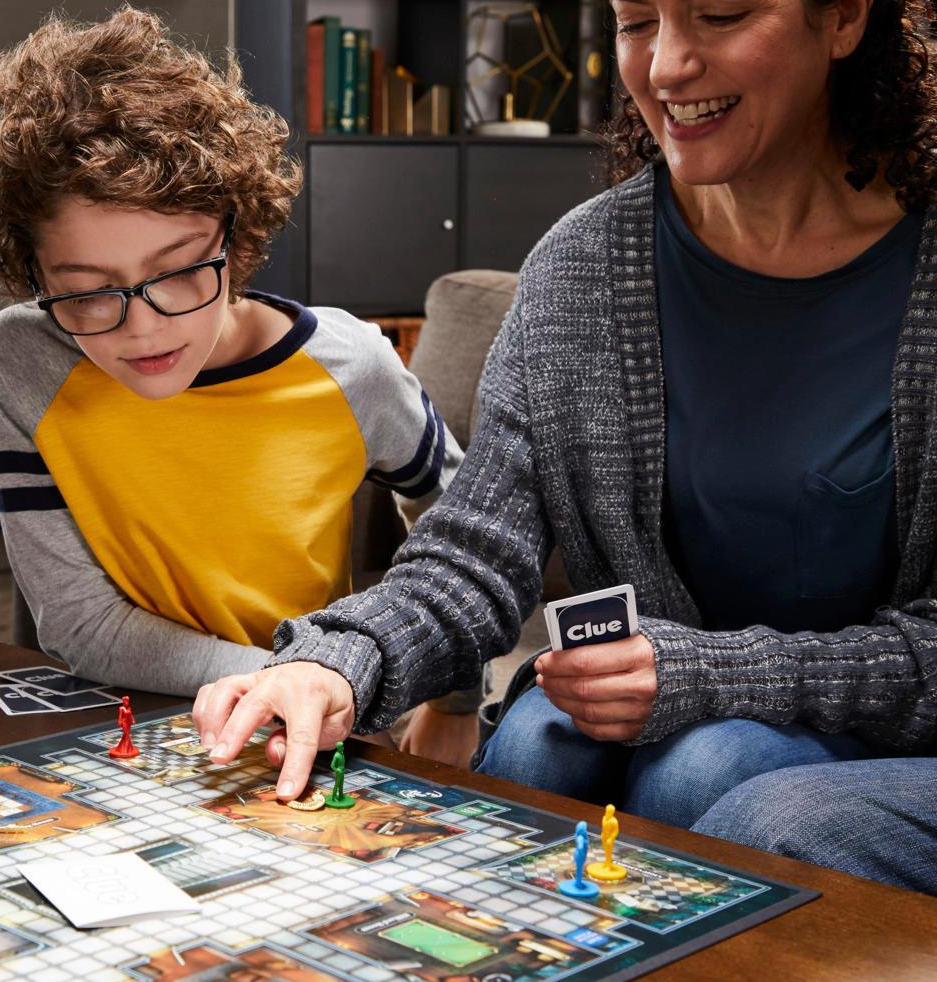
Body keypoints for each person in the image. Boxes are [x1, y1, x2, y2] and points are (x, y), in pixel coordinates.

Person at [194, 0, 937, 894]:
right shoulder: (583, 264)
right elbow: (474, 551)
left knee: (717, 778)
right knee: (543, 747)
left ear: (847, 18)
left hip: (898, 741)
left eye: (720, 14)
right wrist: (337, 661)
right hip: (673, 724)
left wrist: (712, 675)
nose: (665, 66)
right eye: (635, 23)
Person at [0, 8, 478, 751]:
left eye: (176, 273)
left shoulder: (349, 364)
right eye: (85, 289)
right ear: (34, 274)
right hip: (129, 724)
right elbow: (79, 622)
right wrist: (295, 674)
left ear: (236, 236)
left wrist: (453, 699)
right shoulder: (27, 358)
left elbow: (464, 532)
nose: (142, 327)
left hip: (309, 728)